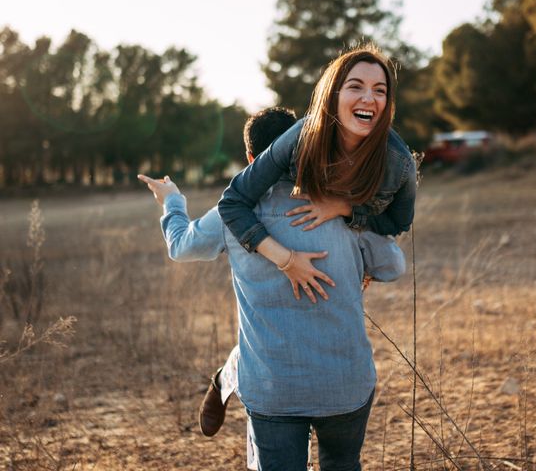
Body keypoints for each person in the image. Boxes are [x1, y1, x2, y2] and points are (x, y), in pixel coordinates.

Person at [139, 107, 407, 470]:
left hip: (272, 386)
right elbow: (393, 265)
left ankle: (228, 375)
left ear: (251, 160)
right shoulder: (336, 205)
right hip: (346, 383)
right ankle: (228, 373)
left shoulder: (232, 212)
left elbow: (182, 246)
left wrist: (172, 201)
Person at [218, 44, 417, 305]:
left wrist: (345, 209)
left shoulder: (399, 164)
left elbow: (398, 223)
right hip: (297, 234)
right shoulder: (300, 138)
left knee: (393, 262)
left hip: (352, 237)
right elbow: (233, 201)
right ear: (332, 95)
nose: (369, 98)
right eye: (355, 86)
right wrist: (287, 261)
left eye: (379, 90)